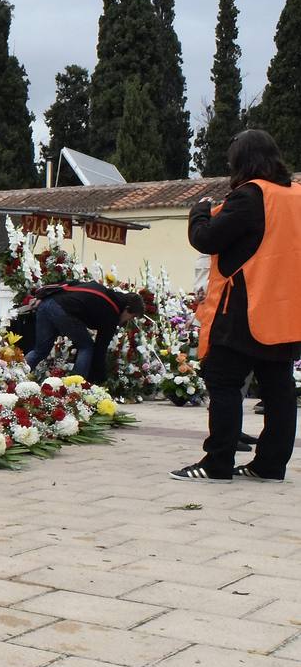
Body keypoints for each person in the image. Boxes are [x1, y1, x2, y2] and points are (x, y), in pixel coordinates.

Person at [172, 129, 301, 482]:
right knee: (278, 390)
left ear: (241, 162)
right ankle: (270, 466)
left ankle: (217, 464)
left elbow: (207, 239)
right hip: (286, 311)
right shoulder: (296, 196)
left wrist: (198, 213)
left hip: (244, 308)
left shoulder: (249, 196)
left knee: (225, 383)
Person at [23, 281, 145, 383]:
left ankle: (17, 377)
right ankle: (75, 387)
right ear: (128, 309)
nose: (129, 321)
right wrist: (99, 380)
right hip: (63, 311)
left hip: (47, 303)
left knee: (40, 350)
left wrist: (40, 296)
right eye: (132, 317)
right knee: (86, 347)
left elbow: (71, 284)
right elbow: (100, 349)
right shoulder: (111, 313)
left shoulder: (101, 289)